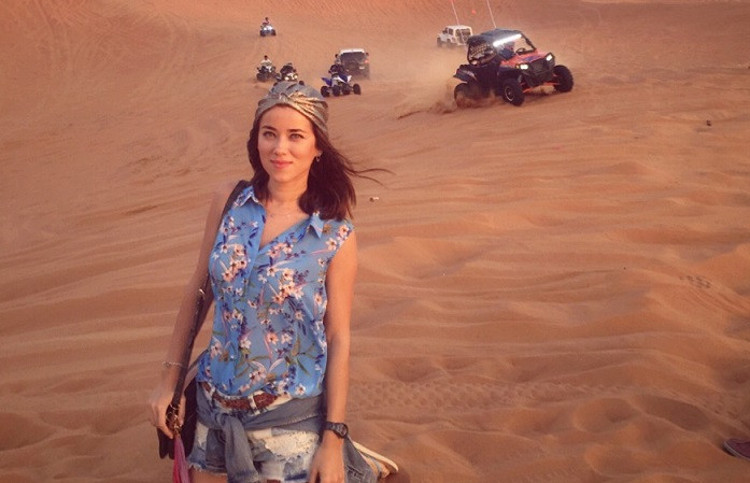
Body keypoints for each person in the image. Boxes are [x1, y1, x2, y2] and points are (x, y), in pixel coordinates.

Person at [148, 81, 396, 482]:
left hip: (288, 418)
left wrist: (333, 439)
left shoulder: (334, 234)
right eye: (269, 134)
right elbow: (199, 290)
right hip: (214, 408)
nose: (280, 148)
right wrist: (168, 383)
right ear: (256, 140)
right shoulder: (229, 201)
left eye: (295, 136)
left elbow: (338, 337)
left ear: (317, 147)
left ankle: (357, 462)